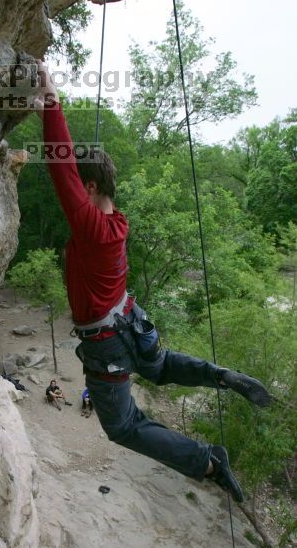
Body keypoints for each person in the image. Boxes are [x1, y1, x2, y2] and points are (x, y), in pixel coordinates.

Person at [34, 61, 272, 503]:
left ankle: (208, 460)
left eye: (77, 190)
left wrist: (51, 98)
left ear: (87, 188)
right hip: (131, 318)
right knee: (159, 369)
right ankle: (218, 375)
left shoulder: (90, 225)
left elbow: (59, 161)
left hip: (108, 341)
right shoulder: (117, 224)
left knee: (124, 426)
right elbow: (71, 172)